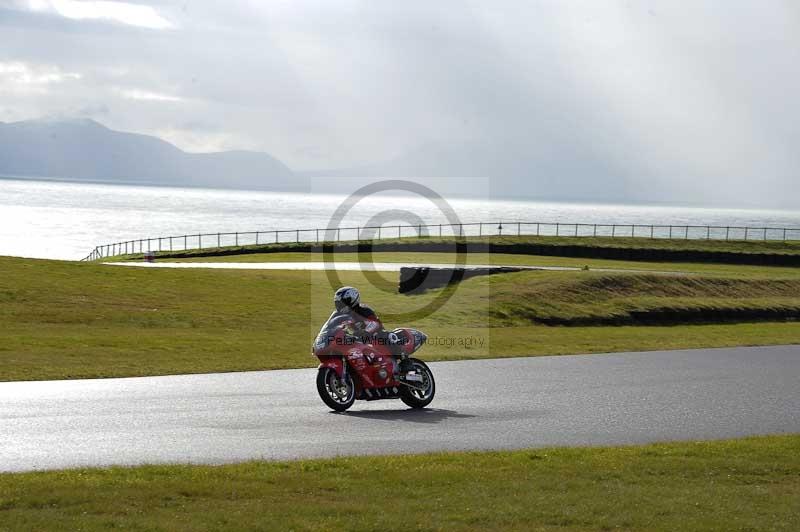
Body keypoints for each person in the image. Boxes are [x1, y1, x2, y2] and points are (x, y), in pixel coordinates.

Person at [333, 286, 412, 372]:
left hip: (375, 336)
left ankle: (405, 361)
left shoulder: (363, 310)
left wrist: (365, 331)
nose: (340, 305)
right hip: (360, 339)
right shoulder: (341, 316)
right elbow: (335, 326)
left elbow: (375, 324)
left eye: (343, 303)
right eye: (339, 303)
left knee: (387, 336)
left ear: (352, 300)